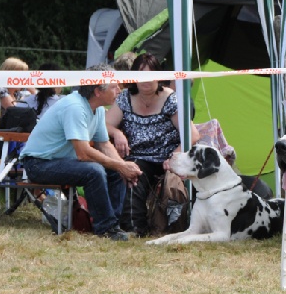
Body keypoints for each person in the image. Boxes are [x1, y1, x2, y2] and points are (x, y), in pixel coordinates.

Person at [20, 64, 143, 240]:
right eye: (114, 86)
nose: (119, 90)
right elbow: (83, 153)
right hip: (38, 164)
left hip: (56, 161)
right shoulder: (75, 107)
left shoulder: (97, 108)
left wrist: (122, 166)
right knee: (94, 171)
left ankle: (114, 224)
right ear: (98, 91)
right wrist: (120, 165)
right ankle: (106, 228)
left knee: (114, 170)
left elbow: (104, 144)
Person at [105, 53, 199, 237]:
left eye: (150, 75)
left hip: (167, 157)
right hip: (139, 158)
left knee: (170, 182)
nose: (145, 80)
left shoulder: (171, 99)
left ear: (158, 76)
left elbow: (192, 135)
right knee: (133, 173)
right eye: (141, 75)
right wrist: (116, 133)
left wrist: (174, 156)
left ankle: (170, 228)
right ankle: (133, 228)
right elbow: (104, 124)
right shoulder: (125, 98)